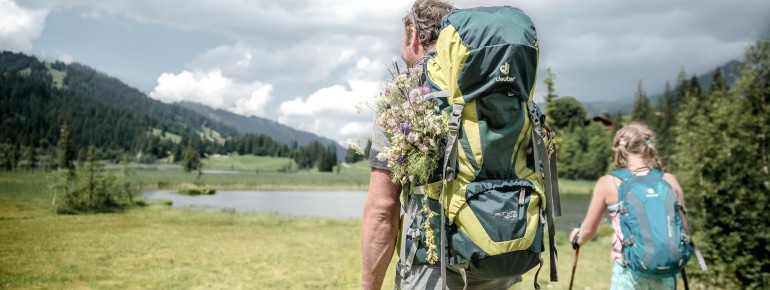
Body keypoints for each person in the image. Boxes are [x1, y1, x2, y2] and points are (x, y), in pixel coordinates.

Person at [361, 1, 522, 289]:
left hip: (435, 269)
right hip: (501, 257)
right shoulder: (498, 89)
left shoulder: (405, 94)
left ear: (412, 36)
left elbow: (383, 209)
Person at [568, 124, 687, 289]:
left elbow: (588, 231)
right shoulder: (669, 180)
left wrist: (577, 238)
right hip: (667, 271)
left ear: (618, 149)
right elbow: (684, 231)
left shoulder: (608, 183)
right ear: (648, 147)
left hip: (628, 271)